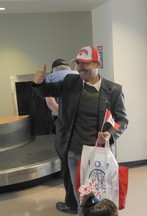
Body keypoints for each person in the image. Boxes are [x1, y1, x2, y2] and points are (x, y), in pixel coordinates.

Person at [32, 46, 128, 216]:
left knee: (101, 200)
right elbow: (48, 90)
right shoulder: (71, 82)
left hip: (99, 156)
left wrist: (110, 134)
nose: (78, 68)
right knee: (81, 200)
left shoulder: (113, 90)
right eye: (77, 63)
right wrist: (39, 83)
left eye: (84, 64)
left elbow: (122, 121)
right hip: (74, 154)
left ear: (97, 63)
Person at [45, 58, 79, 214]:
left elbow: (51, 103)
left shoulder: (51, 78)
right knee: (80, 164)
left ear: (54, 69)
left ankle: (71, 204)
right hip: (82, 126)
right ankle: (86, 200)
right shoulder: (77, 74)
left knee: (67, 164)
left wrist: (65, 117)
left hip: (64, 126)